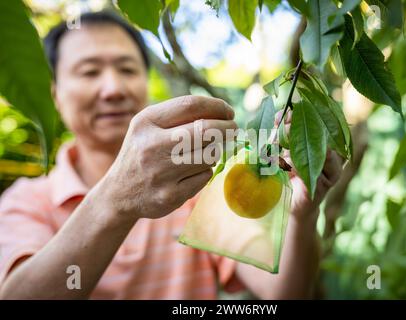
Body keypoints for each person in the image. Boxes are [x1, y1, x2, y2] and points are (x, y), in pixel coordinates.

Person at [0, 11, 343, 299]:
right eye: (89, 72)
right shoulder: (25, 202)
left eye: (127, 69)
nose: (114, 88)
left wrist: (301, 214)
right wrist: (116, 199)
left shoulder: (198, 182)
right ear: (56, 95)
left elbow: (283, 292)